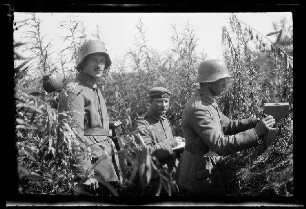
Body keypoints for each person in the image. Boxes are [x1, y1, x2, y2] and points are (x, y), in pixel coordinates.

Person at [177, 59, 277, 196]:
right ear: (209, 83)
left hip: (206, 169)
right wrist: (256, 132)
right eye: (222, 80)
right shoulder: (198, 109)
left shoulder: (208, 102)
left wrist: (253, 122)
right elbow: (220, 145)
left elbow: (227, 125)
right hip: (199, 178)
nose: (226, 84)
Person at [57, 40, 121, 195]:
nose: (99, 65)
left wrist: (108, 126)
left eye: (102, 60)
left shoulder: (92, 88)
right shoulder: (75, 91)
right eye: (94, 60)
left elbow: (89, 124)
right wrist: (84, 172)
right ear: (83, 63)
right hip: (90, 166)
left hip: (102, 158)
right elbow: (72, 136)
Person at [134, 87, 184, 195]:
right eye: (159, 101)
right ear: (150, 102)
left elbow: (168, 145)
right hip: (156, 178)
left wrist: (179, 143)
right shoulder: (142, 124)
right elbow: (146, 152)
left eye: (166, 101)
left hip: (172, 173)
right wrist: (170, 143)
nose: (164, 105)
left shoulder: (164, 119)